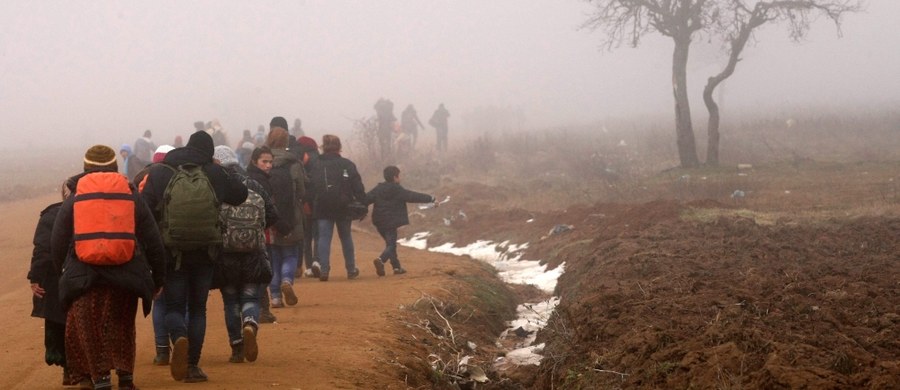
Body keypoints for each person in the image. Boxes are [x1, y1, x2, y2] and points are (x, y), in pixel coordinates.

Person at [51, 145, 166, 390]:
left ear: (85, 168)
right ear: (115, 167)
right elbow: (152, 238)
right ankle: (125, 378)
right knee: (121, 325)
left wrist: (64, 269)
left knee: (88, 328)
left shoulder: (76, 196)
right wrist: (158, 276)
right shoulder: (130, 193)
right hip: (125, 273)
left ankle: (100, 378)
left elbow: (58, 239)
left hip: (84, 275)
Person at [141, 131, 248, 382]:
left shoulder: (160, 171)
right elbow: (240, 194)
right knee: (198, 309)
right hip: (205, 252)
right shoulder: (213, 172)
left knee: (174, 305)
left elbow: (144, 209)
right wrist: (223, 170)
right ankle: (191, 367)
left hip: (171, 251)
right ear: (209, 153)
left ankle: (178, 336)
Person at [212, 146, 278, 363]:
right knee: (250, 296)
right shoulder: (253, 184)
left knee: (231, 301)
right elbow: (272, 214)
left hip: (225, 254)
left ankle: (237, 348)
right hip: (254, 254)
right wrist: (256, 230)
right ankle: (250, 322)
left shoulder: (216, 186)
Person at [29, 181, 89, 387]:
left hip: (56, 279)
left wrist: (35, 277)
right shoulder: (90, 211)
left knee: (60, 322)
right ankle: (87, 370)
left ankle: (68, 370)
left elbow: (42, 249)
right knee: (84, 323)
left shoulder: (50, 214)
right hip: (85, 276)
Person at [308, 134, 365, 281]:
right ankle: (351, 269)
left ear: (323, 147)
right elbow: (357, 186)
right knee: (346, 237)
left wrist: (308, 203)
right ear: (339, 147)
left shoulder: (316, 164)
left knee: (324, 238)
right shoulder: (347, 164)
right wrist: (362, 202)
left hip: (322, 205)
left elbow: (311, 186)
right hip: (344, 206)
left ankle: (324, 270)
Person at [365, 166, 436, 276]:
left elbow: (366, 199)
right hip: (391, 221)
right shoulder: (397, 189)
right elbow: (412, 196)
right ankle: (381, 260)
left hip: (378, 221)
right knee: (391, 245)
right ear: (395, 177)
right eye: (399, 175)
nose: (400, 178)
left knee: (390, 244)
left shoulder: (378, 188)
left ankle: (396, 267)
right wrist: (430, 198)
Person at [265, 117, 306, 307]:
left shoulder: (264, 161)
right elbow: (302, 191)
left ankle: (274, 297)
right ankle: (287, 281)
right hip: (292, 216)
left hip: (269, 218)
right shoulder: (294, 163)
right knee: (290, 254)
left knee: (273, 257)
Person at [246, 146, 279, 324]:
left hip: (251, 231)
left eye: (270, 162)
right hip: (261, 231)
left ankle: (262, 310)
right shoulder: (259, 182)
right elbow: (270, 210)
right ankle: (259, 310)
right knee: (264, 270)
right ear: (255, 161)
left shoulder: (249, 177)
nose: (268, 165)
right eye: (264, 162)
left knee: (262, 270)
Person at [296, 136, 321, 278]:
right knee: (318, 235)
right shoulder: (320, 159)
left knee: (307, 236)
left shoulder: (302, 160)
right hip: (319, 203)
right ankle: (318, 262)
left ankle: (309, 266)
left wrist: (304, 200)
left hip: (306, 202)